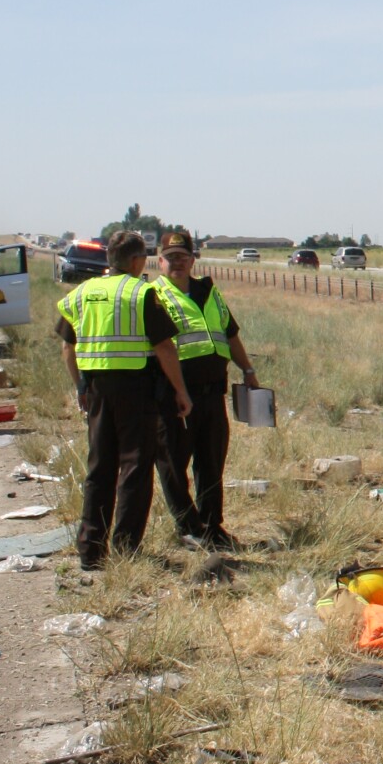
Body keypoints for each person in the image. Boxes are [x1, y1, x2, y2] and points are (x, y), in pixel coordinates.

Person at [57, 230, 192, 570]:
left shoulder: (83, 292)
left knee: (99, 466)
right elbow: (164, 347)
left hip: (97, 389)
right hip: (135, 387)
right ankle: (125, 548)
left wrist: (80, 388)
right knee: (134, 466)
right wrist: (181, 390)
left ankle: (90, 551)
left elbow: (67, 347)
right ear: (136, 261)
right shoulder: (140, 292)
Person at [146, 230, 260, 548]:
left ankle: (212, 526)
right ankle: (188, 526)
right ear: (160, 261)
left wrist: (248, 369)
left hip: (213, 393)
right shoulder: (153, 295)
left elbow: (230, 334)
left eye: (182, 257)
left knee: (211, 462)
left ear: (193, 260)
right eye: (170, 259)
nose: (177, 263)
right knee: (172, 462)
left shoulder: (209, 292)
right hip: (174, 394)